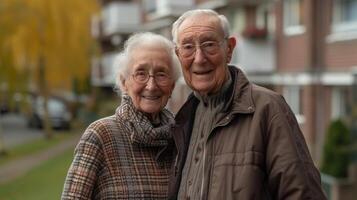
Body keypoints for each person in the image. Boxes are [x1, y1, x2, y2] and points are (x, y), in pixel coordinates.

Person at [168, 9, 327, 199]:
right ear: (178, 55)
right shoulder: (183, 119)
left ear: (229, 49)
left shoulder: (268, 109)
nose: (199, 58)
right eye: (187, 47)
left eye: (209, 44)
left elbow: (303, 194)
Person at [61, 32, 181, 199]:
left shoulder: (179, 139)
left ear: (172, 86)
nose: (151, 86)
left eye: (161, 74)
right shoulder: (101, 135)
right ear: (124, 82)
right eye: (141, 73)